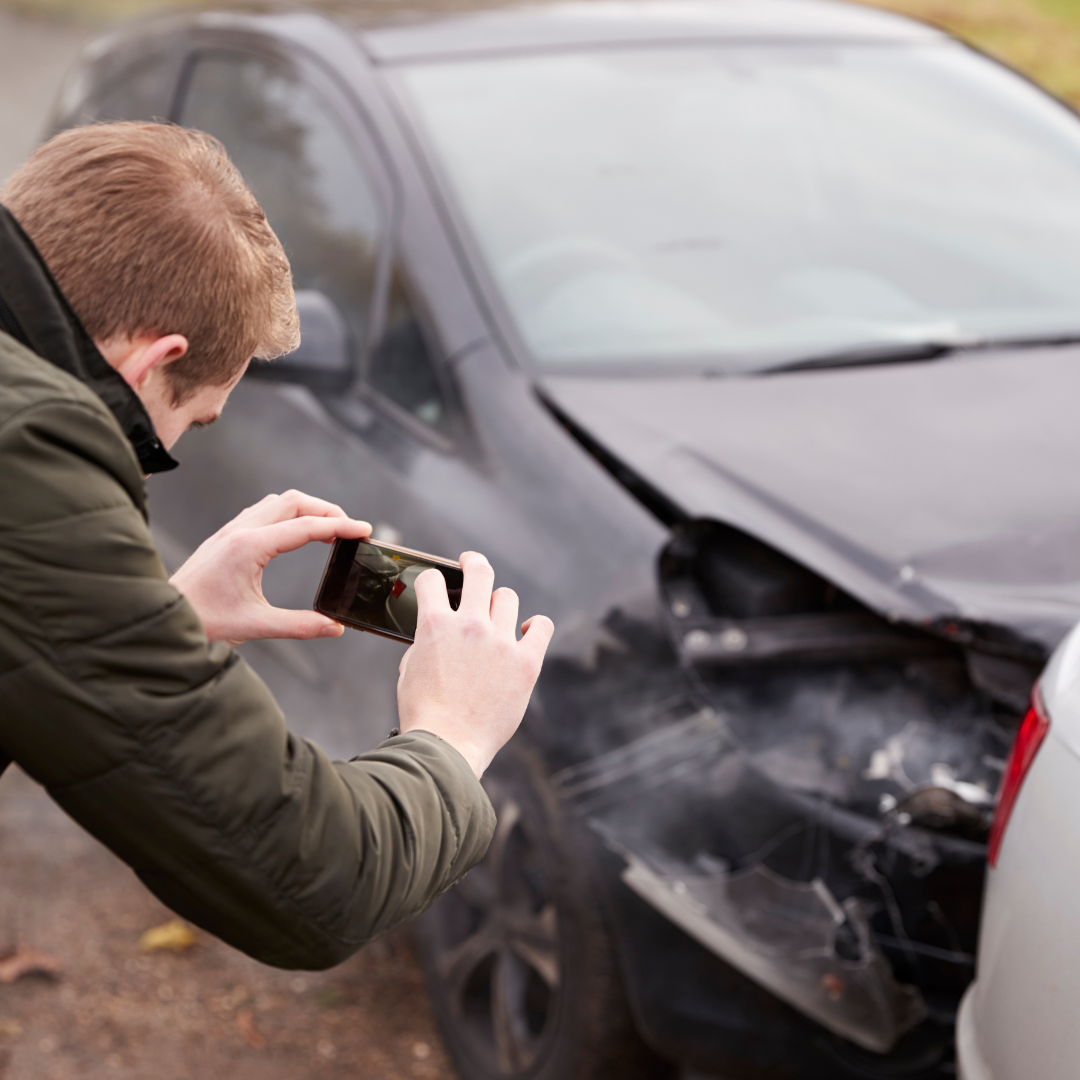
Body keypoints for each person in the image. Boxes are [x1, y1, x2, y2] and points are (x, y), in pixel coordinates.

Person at [0, 122, 554, 969]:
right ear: (154, 363)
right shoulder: (30, 446)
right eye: (182, 426)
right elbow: (314, 879)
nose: (154, 466)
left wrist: (150, 617)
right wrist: (453, 735)